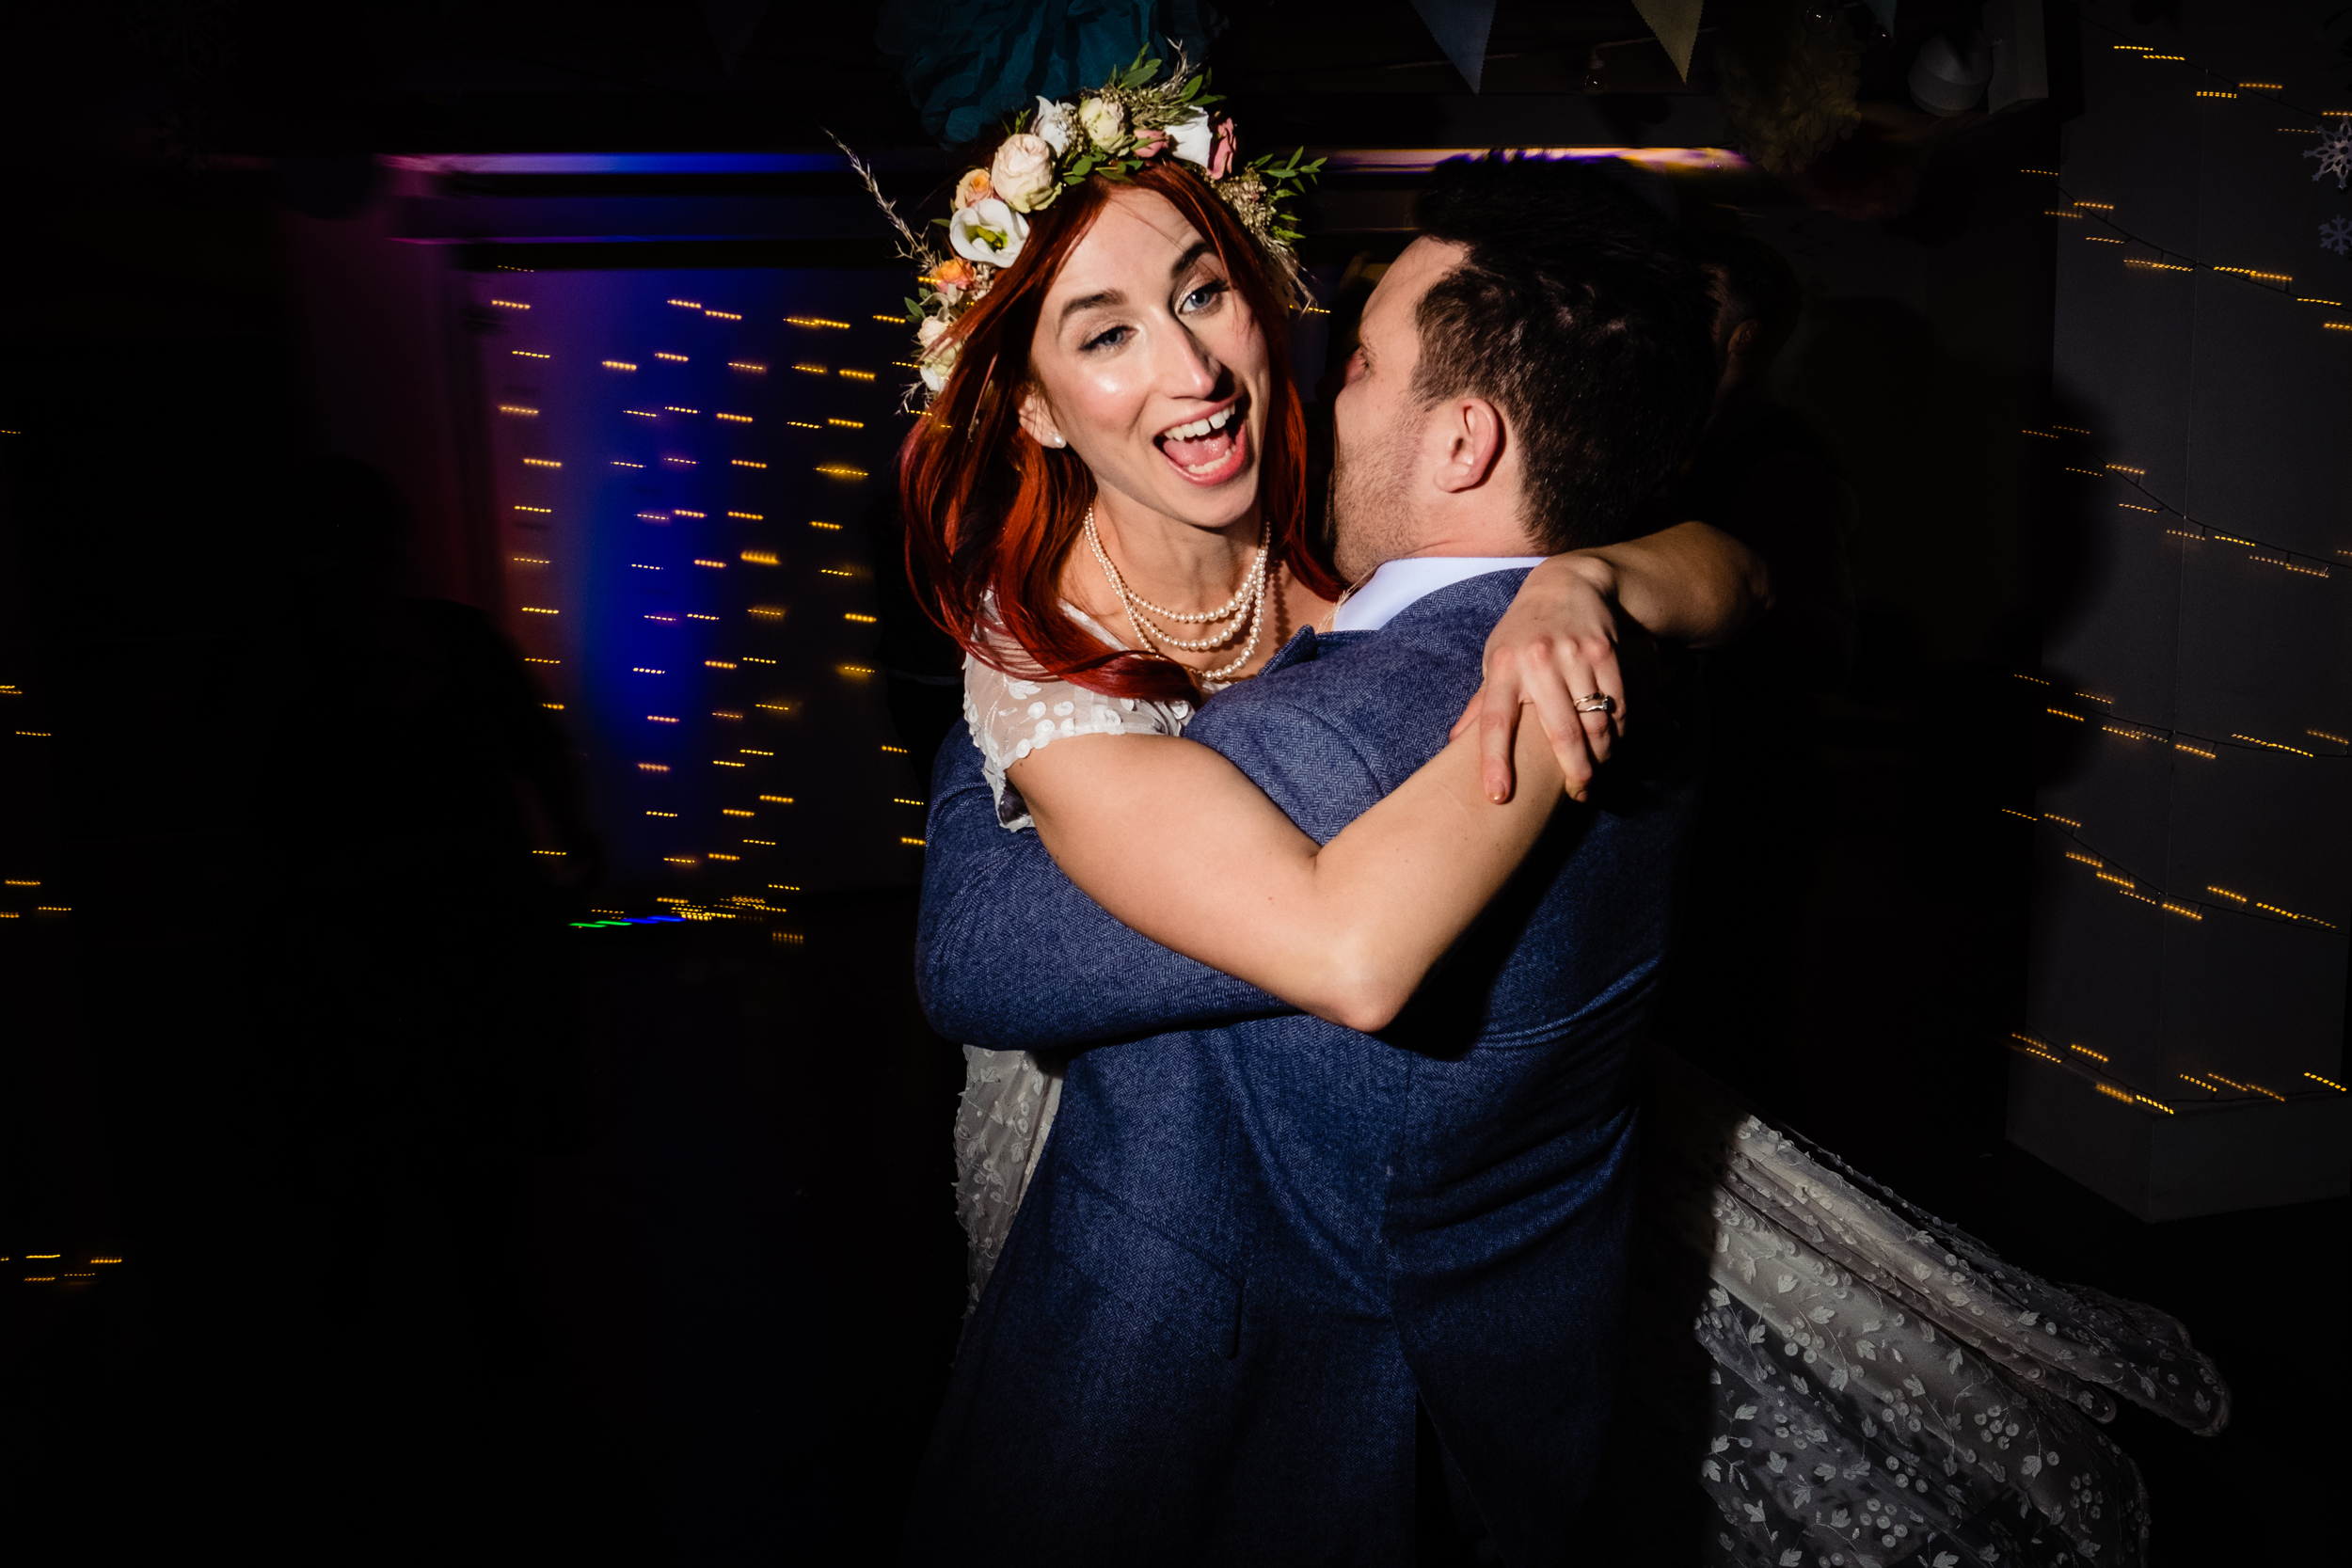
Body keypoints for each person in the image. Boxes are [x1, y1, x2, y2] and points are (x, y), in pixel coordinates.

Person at [883, 71, 2225, 1565]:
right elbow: (986, 952)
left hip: (1353, 1297)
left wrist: (1589, 582)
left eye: (1207, 292)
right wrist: (1581, 609)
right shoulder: (1047, 677)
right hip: (1227, 1275)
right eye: (1107, 332)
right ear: (1033, 405)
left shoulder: (1368, 566)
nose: (1200, 369)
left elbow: (1733, 564)